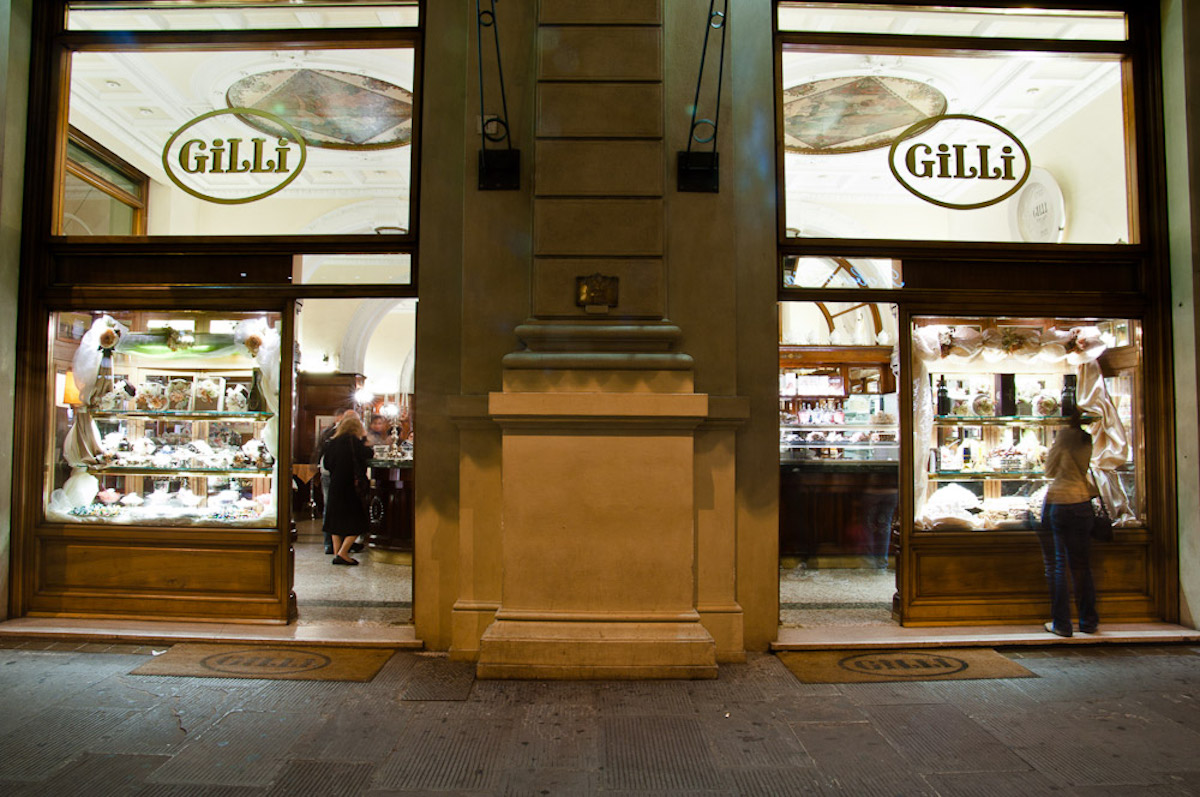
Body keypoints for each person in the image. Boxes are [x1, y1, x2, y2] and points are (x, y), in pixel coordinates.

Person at [1038, 408, 1099, 637]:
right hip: (1082, 501)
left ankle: (1062, 624)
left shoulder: (1063, 436)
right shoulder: (1086, 438)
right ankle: (1089, 621)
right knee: (1082, 565)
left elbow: (1049, 470)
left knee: (1057, 565)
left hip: (1060, 501)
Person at [321, 413, 372, 566]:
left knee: (335, 521)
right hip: (351, 485)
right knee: (358, 521)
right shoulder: (354, 442)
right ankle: (343, 553)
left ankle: (338, 553)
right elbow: (369, 454)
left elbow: (327, 464)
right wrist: (366, 440)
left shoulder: (332, 443)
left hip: (335, 484)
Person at [314, 407, 356, 554]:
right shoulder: (333, 434)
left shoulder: (336, 434)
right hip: (330, 475)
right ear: (339, 417)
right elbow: (324, 454)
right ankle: (330, 544)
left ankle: (338, 546)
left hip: (332, 474)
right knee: (330, 508)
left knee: (335, 508)